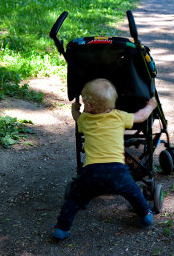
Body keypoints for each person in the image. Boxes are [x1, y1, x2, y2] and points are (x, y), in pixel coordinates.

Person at [53, 78, 157, 240]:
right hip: (117, 171)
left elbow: (76, 117)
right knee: (133, 192)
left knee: (73, 200)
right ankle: (145, 214)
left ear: (88, 106)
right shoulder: (119, 116)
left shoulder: (85, 120)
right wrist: (150, 105)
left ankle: (61, 228)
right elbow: (141, 116)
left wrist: (75, 109)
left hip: (91, 172)